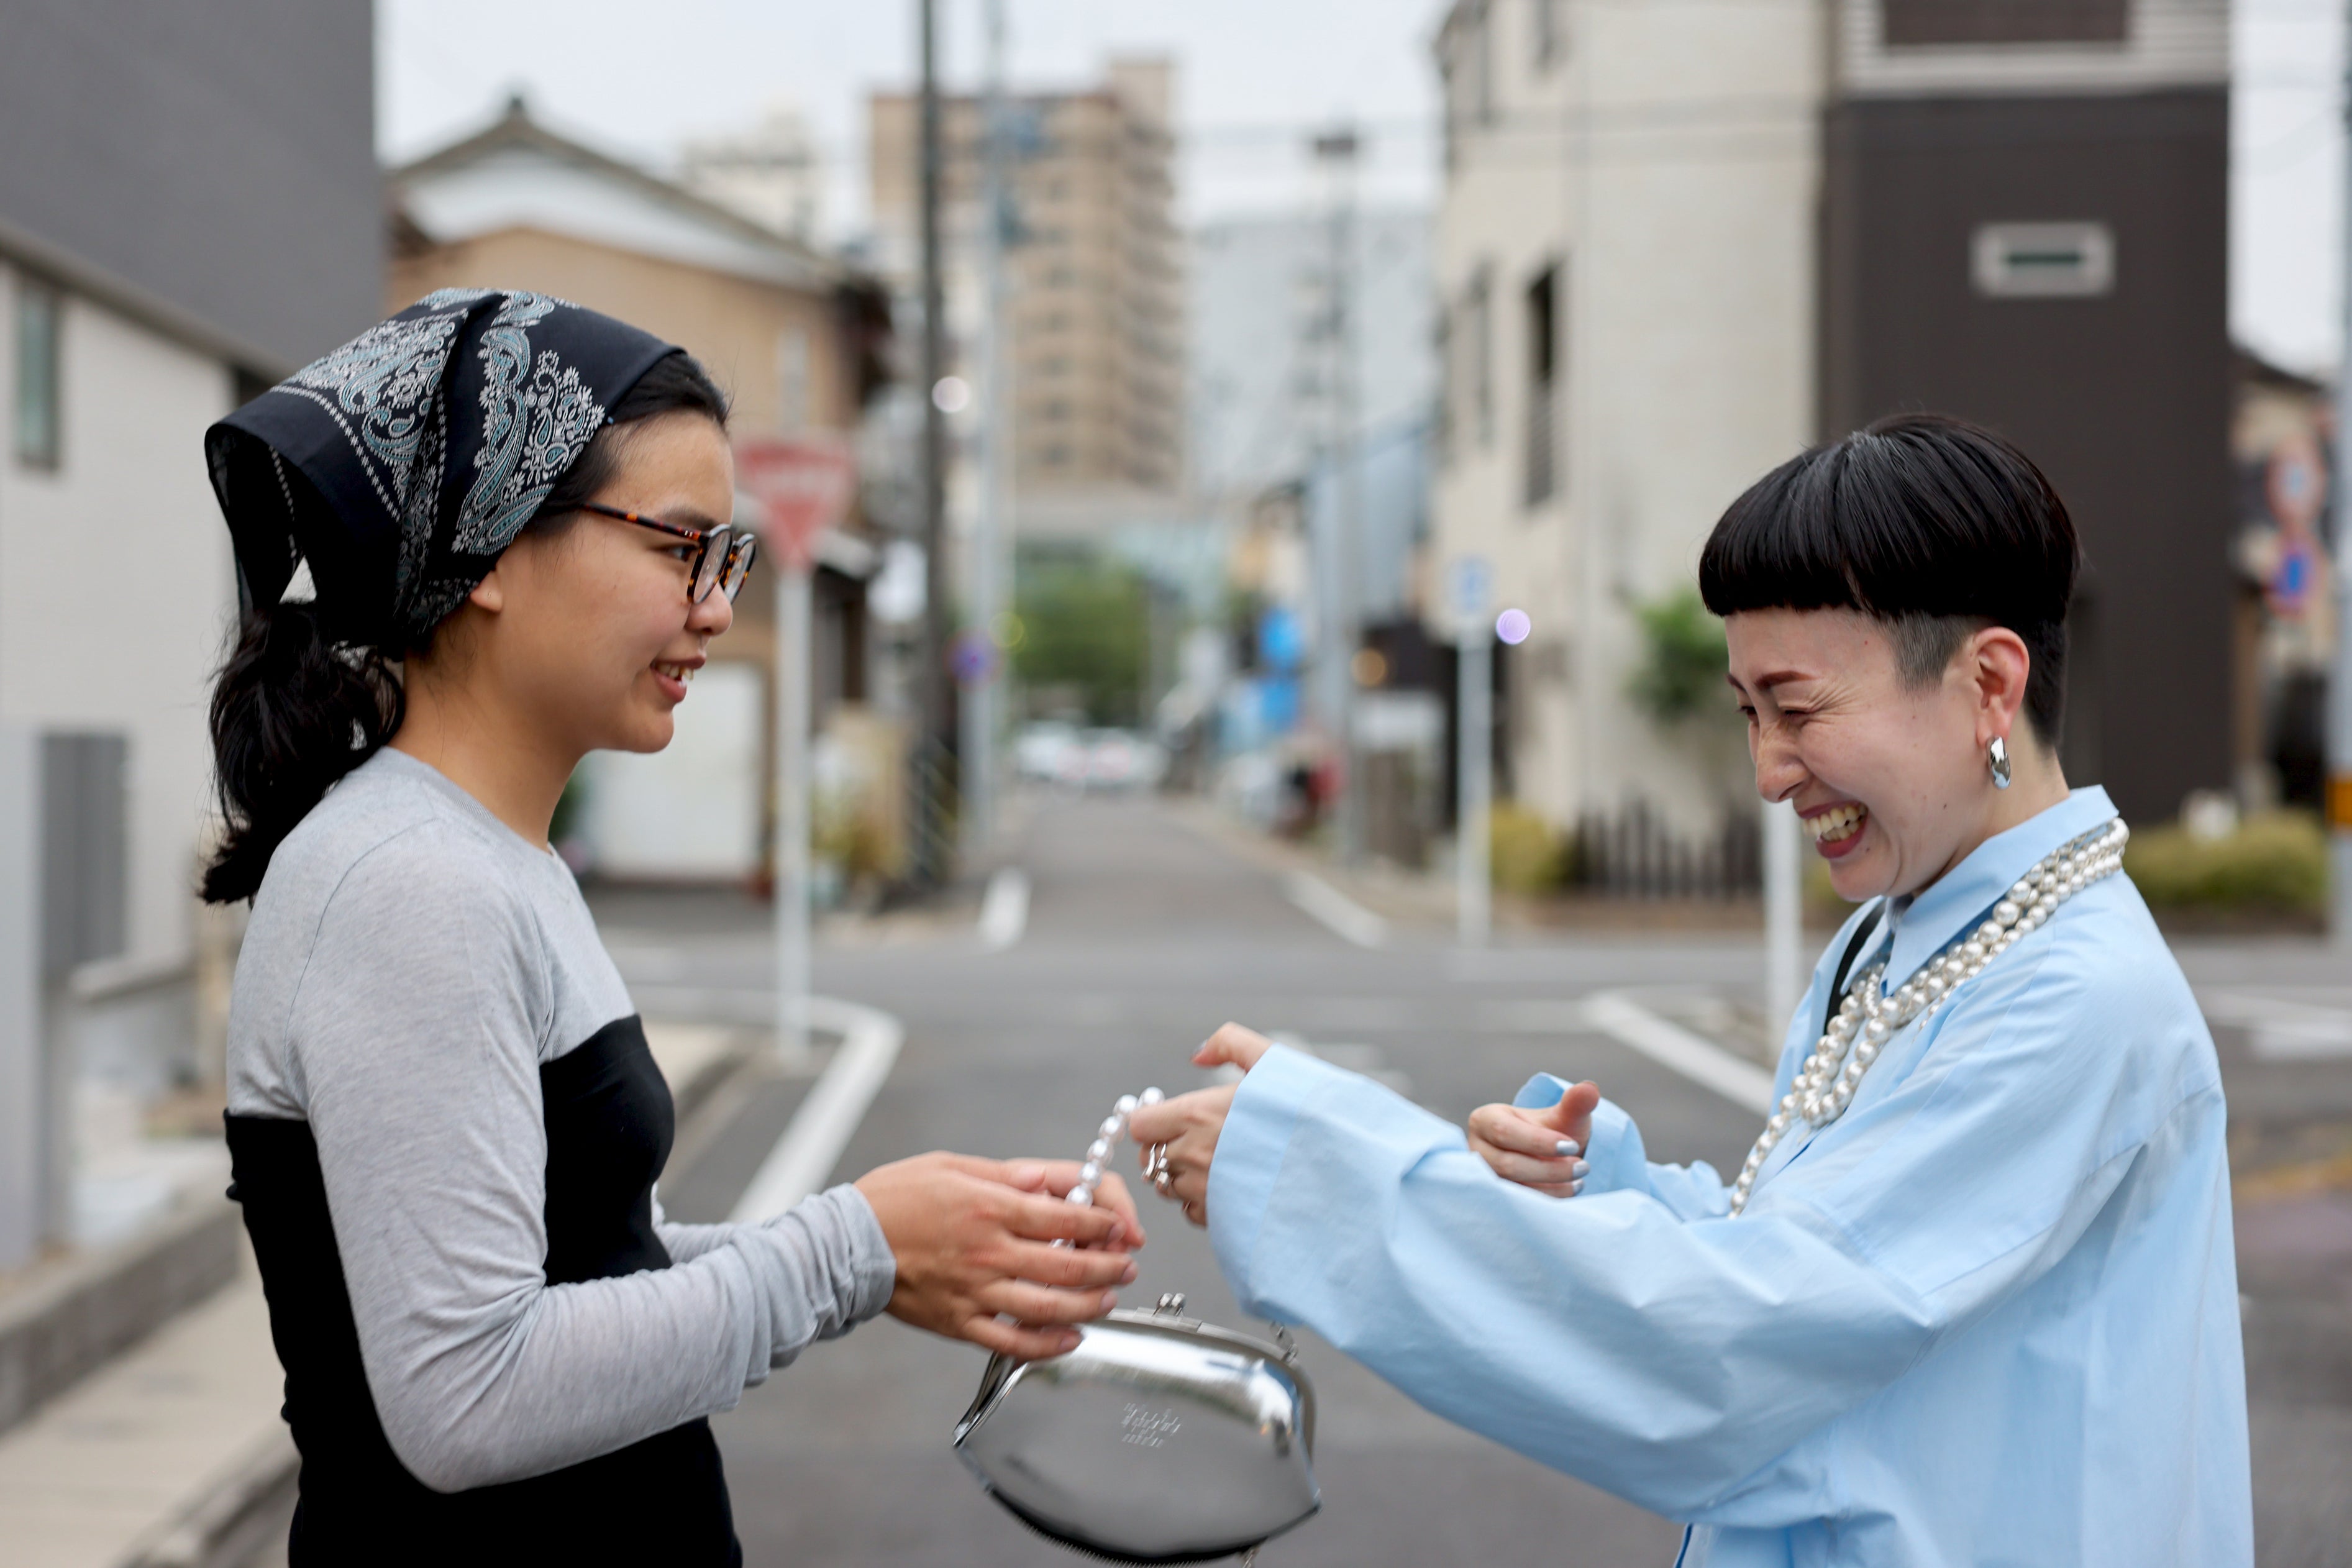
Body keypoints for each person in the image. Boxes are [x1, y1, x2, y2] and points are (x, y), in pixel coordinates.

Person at [1129, 414, 2251, 1566]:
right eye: (1747, 714)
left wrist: (1320, 1175)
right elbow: (1835, 1272)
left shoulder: (2072, 1001)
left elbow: (1739, 1351)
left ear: (1988, 686)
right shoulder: (1906, 930)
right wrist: (1605, 1197)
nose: (1768, 771)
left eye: (1799, 709)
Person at [204, 289, 1142, 1566]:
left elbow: (588, 1261)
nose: (715, 604)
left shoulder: (488, 855)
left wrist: (894, 1251)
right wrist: (849, 1244)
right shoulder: (407, 880)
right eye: (677, 545)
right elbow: (466, 1391)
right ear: (486, 548)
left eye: (728, 555)